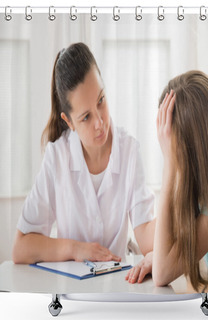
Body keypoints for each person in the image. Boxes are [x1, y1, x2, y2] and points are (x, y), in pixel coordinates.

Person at [12, 42, 155, 265]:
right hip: (71, 288)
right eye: (86, 117)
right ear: (69, 122)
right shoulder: (57, 157)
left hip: (117, 283)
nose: (99, 123)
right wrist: (75, 248)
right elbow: (21, 248)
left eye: (101, 101)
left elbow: (146, 236)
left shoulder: (129, 150)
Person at [126, 70, 208, 295]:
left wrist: (169, 165)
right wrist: (155, 257)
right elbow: (150, 239)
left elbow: (162, 274)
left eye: (170, 141)